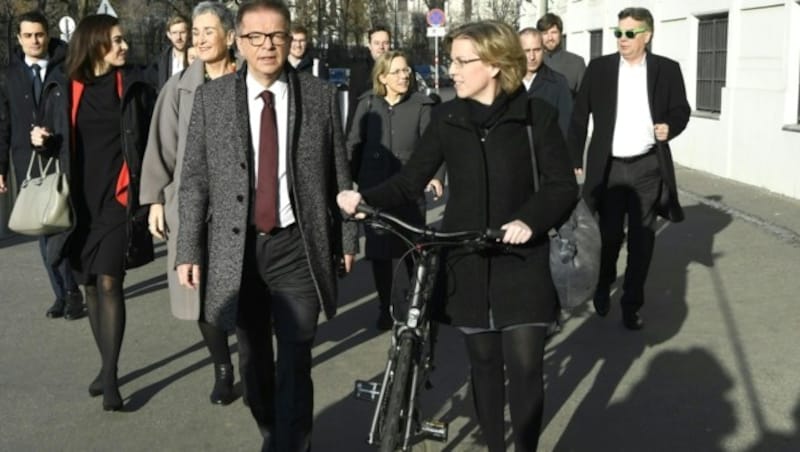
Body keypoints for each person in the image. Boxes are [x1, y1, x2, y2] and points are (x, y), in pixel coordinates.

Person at [338, 20, 577, 452]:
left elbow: (562, 186)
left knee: (524, 366)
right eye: (452, 60)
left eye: (462, 61)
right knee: (483, 364)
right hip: (465, 259)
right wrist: (363, 197)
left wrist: (529, 220)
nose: (453, 70)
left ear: (495, 64)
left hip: (522, 262)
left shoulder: (536, 117)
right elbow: (411, 181)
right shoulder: (448, 118)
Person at [174, 1, 357, 449]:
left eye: (275, 35)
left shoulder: (317, 96)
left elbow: (339, 174)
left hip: (298, 246)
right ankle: (274, 427)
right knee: (255, 361)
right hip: (238, 252)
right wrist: (188, 249)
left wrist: (348, 236)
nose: (267, 45)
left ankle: (291, 441)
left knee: (296, 356)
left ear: (289, 37)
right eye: (255, 37)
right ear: (239, 41)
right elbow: (195, 178)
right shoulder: (212, 100)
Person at [32, 14, 156, 411]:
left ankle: (112, 376)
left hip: (119, 200)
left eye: (123, 40)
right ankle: (106, 368)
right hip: (79, 203)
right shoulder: (65, 87)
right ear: (95, 44)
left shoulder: (134, 86)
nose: (124, 47)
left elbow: (152, 141)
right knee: (88, 286)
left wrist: (154, 196)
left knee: (109, 283)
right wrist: (41, 141)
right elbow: (55, 142)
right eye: (116, 41)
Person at [140, 1, 238, 406]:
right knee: (196, 288)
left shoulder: (250, 81)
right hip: (190, 203)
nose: (198, 39)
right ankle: (222, 366)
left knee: (246, 288)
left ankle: (253, 365)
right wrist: (156, 201)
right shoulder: (178, 86)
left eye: (208, 31)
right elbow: (162, 148)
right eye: (195, 32)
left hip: (240, 203)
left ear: (230, 37)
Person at [568, 7, 690, 330]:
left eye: (629, 33)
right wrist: (574, 160)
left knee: (642, 238)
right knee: (608, 236)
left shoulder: (667, 70)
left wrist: (670, 127)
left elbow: (682, 109)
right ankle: (605, 280)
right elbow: (579, 116)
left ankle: (631, 303)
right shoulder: (600, 69)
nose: (622, 39)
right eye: (618, 33)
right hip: (609, 168)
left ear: (646, 36)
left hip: (647, 167)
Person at [346, 50, 442, 330]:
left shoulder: (421, 105)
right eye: (397, 72)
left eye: (407, 71)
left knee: (411, 248)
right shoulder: (367, 104)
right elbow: (353, 143)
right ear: (383, 77)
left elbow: (433, 145)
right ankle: (385, 305)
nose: (404, 76)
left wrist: (436, 176)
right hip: (374, 188)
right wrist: (351, 180)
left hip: (409, 187)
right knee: (379, 251)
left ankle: (411, 306)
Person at [0, 10, 84, 320]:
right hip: (28, 163)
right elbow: (4, 123)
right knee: (43, 229)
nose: (35, 41)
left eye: (39, 34)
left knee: (66, 224)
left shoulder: (68, 66)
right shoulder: (9, 75)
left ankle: (73, 289)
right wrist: (1, 168)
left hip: (64, 156)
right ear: (19, 39)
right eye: (28, 36)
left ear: (47, 34)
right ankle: (61, 294)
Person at [519, 27, 572, 137]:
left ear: (543, 50)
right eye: (527, 51)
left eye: (537, 50)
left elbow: (566, 127)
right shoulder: (507, 82)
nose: (532, 57)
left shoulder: (558, 83)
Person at [346, 25, 391, 129]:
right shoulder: (359, 72)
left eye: (385, 43)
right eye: (377, 43)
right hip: (368, 130)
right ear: (369, 46)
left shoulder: (400, 68)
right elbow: (353, 107)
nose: (381, 47)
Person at [537, 13, 586, 97]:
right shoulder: (531, 62)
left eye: (554, 32)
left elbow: (584, 100)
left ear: (560, 34)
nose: (550, 38)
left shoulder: (577, 63)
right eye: (545, 33)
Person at [153, 15, 190, 90]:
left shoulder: (197, 58)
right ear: (169, 35)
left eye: (182, 32)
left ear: (189, 34)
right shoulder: (160, 61)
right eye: (174, 33)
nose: (178, 37)